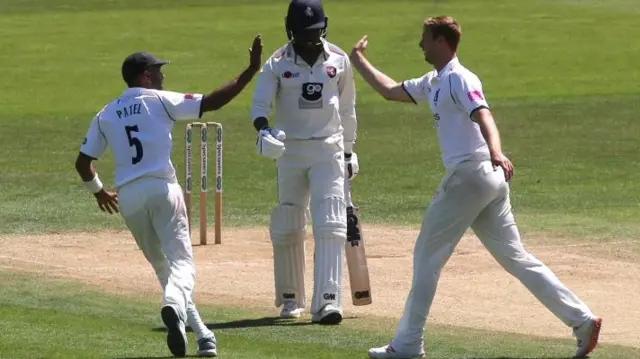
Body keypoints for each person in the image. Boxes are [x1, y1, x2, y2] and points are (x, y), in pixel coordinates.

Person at [348, 16, 602, 359]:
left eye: (424, 38)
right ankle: (582, 321)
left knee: (426, 256)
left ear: (441, 41)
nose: (420, 44)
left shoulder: (459, 77)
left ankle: (407, 344)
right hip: (487, 181)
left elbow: (484, 114)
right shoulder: (434, 80)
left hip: (472, 174)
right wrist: (358, 60)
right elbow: (390, 90)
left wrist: (496, 150)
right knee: (516, 258)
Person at [74, 35, 263, 357]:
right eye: (158, 71)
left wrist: (99, 192)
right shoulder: (157, 100)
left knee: (164, 269)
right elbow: (214, 101)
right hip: (162, 189)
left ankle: (203, 336)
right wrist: (250, 70)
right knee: (183, 266)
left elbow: (82, 163)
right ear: (145, 76)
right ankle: (173, 306)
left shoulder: (106, 113)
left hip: (129, 198)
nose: (163, 77)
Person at [249, 0, 358, 325]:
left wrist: (350, 152)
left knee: (331, 223)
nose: (310, 40)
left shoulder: (339, 59)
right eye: (303, 34)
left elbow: (349, 108)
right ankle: (289, 298)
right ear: (290, 30)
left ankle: (328, 301)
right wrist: (263, 130)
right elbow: (259, 105)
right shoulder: (277, 62)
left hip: (329, 149)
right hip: (290, 151)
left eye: (314, 33)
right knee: (288, 224)